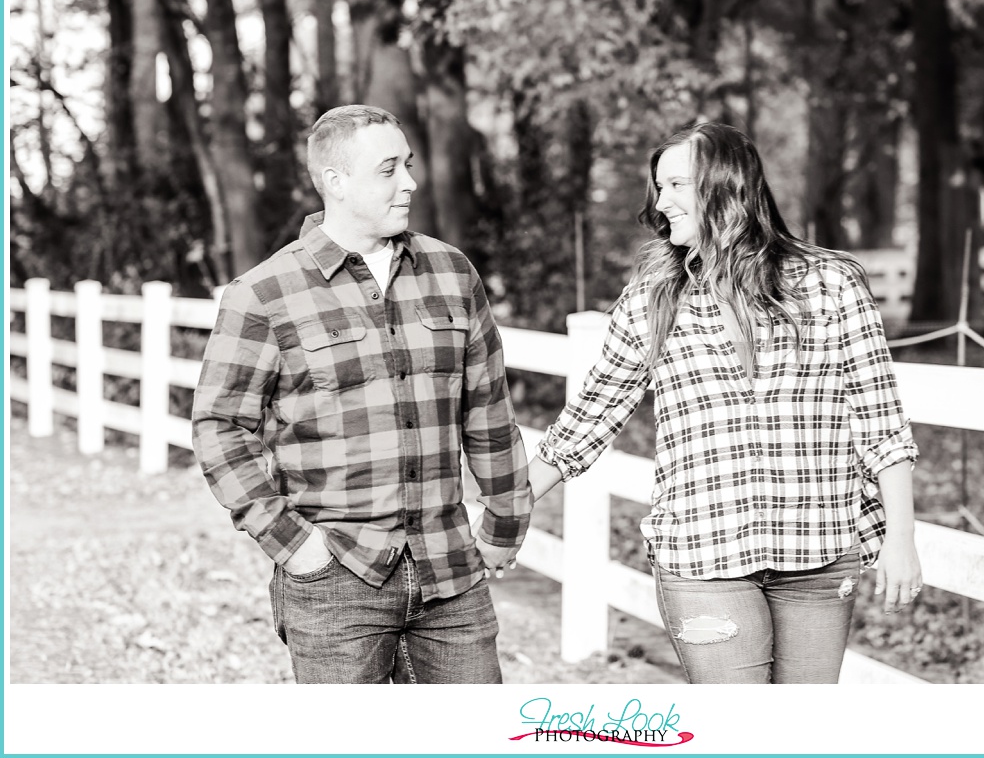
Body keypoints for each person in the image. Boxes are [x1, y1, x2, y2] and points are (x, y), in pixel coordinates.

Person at [529, 119, 921, 686]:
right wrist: (508, 506)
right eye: (658, 188)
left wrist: (901, 538)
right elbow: (592, 414)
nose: (661, 203)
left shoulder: (832, 285)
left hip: (819, 549)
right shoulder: (652, 298)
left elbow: (880, 419)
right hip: (704, 558)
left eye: (676, 185)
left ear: (726, 185)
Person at [192, 103, 531, 685]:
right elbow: (219, 427)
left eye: (409, 164)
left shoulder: (452, 273)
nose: (410, 182)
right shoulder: (265, 293)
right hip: (335, 578)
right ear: (335, 182)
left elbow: (488, 410)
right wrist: (293, 544)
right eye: (389, 168)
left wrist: (505, 520)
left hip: (451, 572)